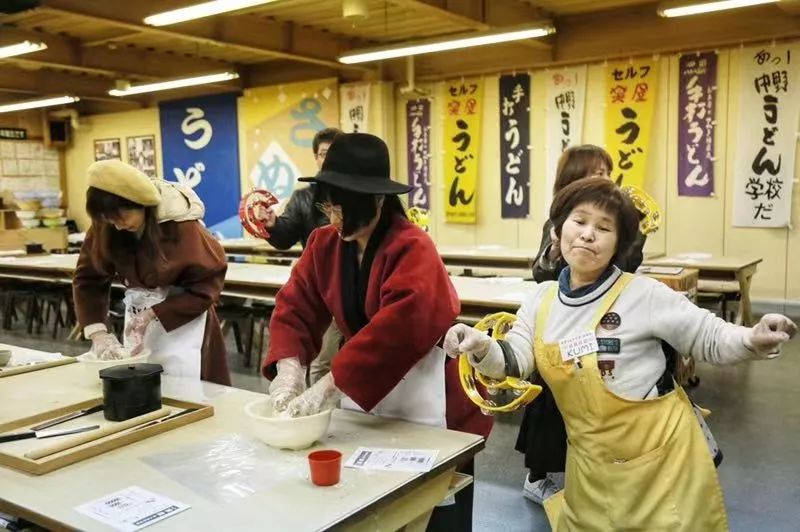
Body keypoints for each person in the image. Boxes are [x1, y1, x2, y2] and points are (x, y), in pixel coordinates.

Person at [445, 178, 795, 531]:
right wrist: (481, 346)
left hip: (662, 468)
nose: (587, 234)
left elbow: (709, 335)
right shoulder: (542, 300)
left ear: (619, 245)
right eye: (579, 221)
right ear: (558, 230)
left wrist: (753, 338)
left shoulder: (643, 295)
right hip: (589, 470)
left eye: (604, 228)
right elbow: (515, 360)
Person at [263, 133, 491, 531]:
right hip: (362, 382)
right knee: (370, 497)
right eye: (328, 207)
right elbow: (295, 304)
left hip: (425, 390)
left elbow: (399, 328)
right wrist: (289, 368)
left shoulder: (412, 247)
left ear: (378, 201)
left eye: (343, 210)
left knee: (435, 503)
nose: (334, 220)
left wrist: (330, 384)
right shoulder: (323, 243)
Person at [521, 144, 649, 504]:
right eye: (596, 173)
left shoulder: (614, 220)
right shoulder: (560, 220)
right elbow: (540, 272)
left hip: (600, 321)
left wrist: (634, 230)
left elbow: (627, 266)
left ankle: (591, 472)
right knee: (553, 400)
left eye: (607, 172)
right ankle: (538, 476)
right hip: (563, 324)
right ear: (573, 179)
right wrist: (554, 251)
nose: (605, 179)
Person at [73, 160, 230, 385]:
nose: (117, 226)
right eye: (110, 221)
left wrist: (152, 313)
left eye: (122, 217)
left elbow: (205, 288)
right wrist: (98, 333)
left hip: (184, 319)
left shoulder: (180, 225)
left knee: (188, 390)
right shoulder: (107, 224)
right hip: (138, 313)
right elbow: (88, 278)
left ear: (141, 204)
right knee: (143, 381)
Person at [256, 127, 342, 385]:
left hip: (351, 282)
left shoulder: (354, 194)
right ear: (316, 157)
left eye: (333, 153)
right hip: (321, 286)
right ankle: (321, 412)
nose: (327, 159)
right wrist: (272, 224)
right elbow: (285, 237)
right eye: (323, 153)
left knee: (353, 358)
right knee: (322, 361)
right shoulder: (304, 196)